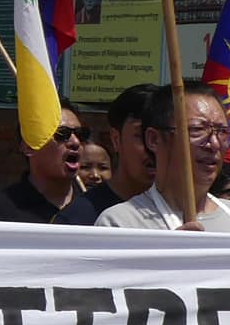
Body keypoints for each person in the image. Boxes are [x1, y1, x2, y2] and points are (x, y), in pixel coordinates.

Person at [96, 81, 230, 232]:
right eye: (197, 130)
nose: (214, 144)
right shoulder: (120, 223)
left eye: (222, 132)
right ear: (154, 139)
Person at [58, 84, 159, 224]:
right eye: (142, 135)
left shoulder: (188, 211)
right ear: (116, 139)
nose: (154, 146)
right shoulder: (78, 219)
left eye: (166, 135)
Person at [0, 103, 86, 224]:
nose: (75, 142)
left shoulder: (95, 208)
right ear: (28, 146)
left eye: (80, 134)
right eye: (62, 134)